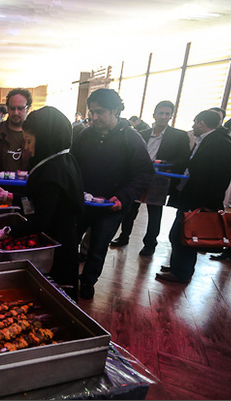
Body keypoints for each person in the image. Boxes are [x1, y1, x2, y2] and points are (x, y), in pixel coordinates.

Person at [0, 107, 84, 302]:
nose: (27, 148)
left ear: (47, 140)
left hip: (58, 245)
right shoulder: (59, 160)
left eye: (29, 141)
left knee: (56, 296)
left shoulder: (54, 172)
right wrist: (8, 196)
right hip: (57, 237)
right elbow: (35, 200)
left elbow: (40, 220)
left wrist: (7, 231)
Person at [70, 89, 154, 300]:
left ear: (115, 110)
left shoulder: (131, 139)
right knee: (69, 241)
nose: (94, 117)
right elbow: (72, 165)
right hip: (82, 203)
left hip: (111, 207)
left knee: (98, 247)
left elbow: (144, 174)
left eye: (100, 112)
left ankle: (88, 283)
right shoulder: (84, 135)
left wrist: (124, 197)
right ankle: (67, 279)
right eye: (92, 112)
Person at [156, 110, 231, 284]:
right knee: (177, 235)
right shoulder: (207, 141)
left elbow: (220, 178)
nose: (193, 126)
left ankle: (181, 273)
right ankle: (177, 267)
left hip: (200, 200)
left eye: (195, 122)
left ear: (201, 123)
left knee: (186, 236)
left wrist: (209, 204)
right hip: (190, 197)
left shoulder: (221, 144)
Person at [110, 100, 190, 256]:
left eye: (167, 114)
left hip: (159, 178)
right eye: (161, 113)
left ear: (171, 116)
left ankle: (150, 244)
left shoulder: (179, 136)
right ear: (154, 114)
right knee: (130, 209)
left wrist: (165, 164)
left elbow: (183, 159)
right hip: (138, 176)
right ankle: (123, 236)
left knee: (154, 213)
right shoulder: (142, 133)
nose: (163, 117)